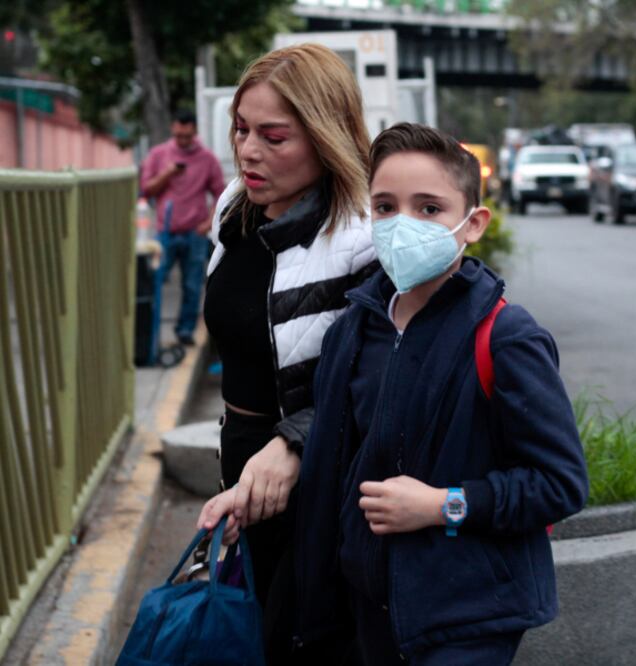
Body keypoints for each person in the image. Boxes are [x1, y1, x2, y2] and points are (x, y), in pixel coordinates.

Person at [288, 123, 587, 664]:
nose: (403, 225)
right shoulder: (353, 331)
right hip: (369, 608)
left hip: (467, 616)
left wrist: (442, 506)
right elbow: (333, 459)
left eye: (429, 209)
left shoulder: (507, 336)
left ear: (473, 224)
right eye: (385, 207)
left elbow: (560, 484)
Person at [194, 43, 378, 664]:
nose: (248, 151)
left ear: (326, 137)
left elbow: (378, 374)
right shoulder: (233, 207)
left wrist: (295, 442)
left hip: (323, 479)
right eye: (242, 129)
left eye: (275, 137)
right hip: (244, 468)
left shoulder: (364, 237)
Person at [139, 109, 225, 346]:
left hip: (194, 233)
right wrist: (167, 173)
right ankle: (150, 333)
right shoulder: (158, 155)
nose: (183, 141)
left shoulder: (207, 159)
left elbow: (221, 192)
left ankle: (185, 330)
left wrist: (209, 223)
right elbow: (146, 190)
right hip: (164, 233)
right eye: (179, 136)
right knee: (155, 280)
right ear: (173, 130)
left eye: (188, 137)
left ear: (195, 132)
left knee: (191, 284)